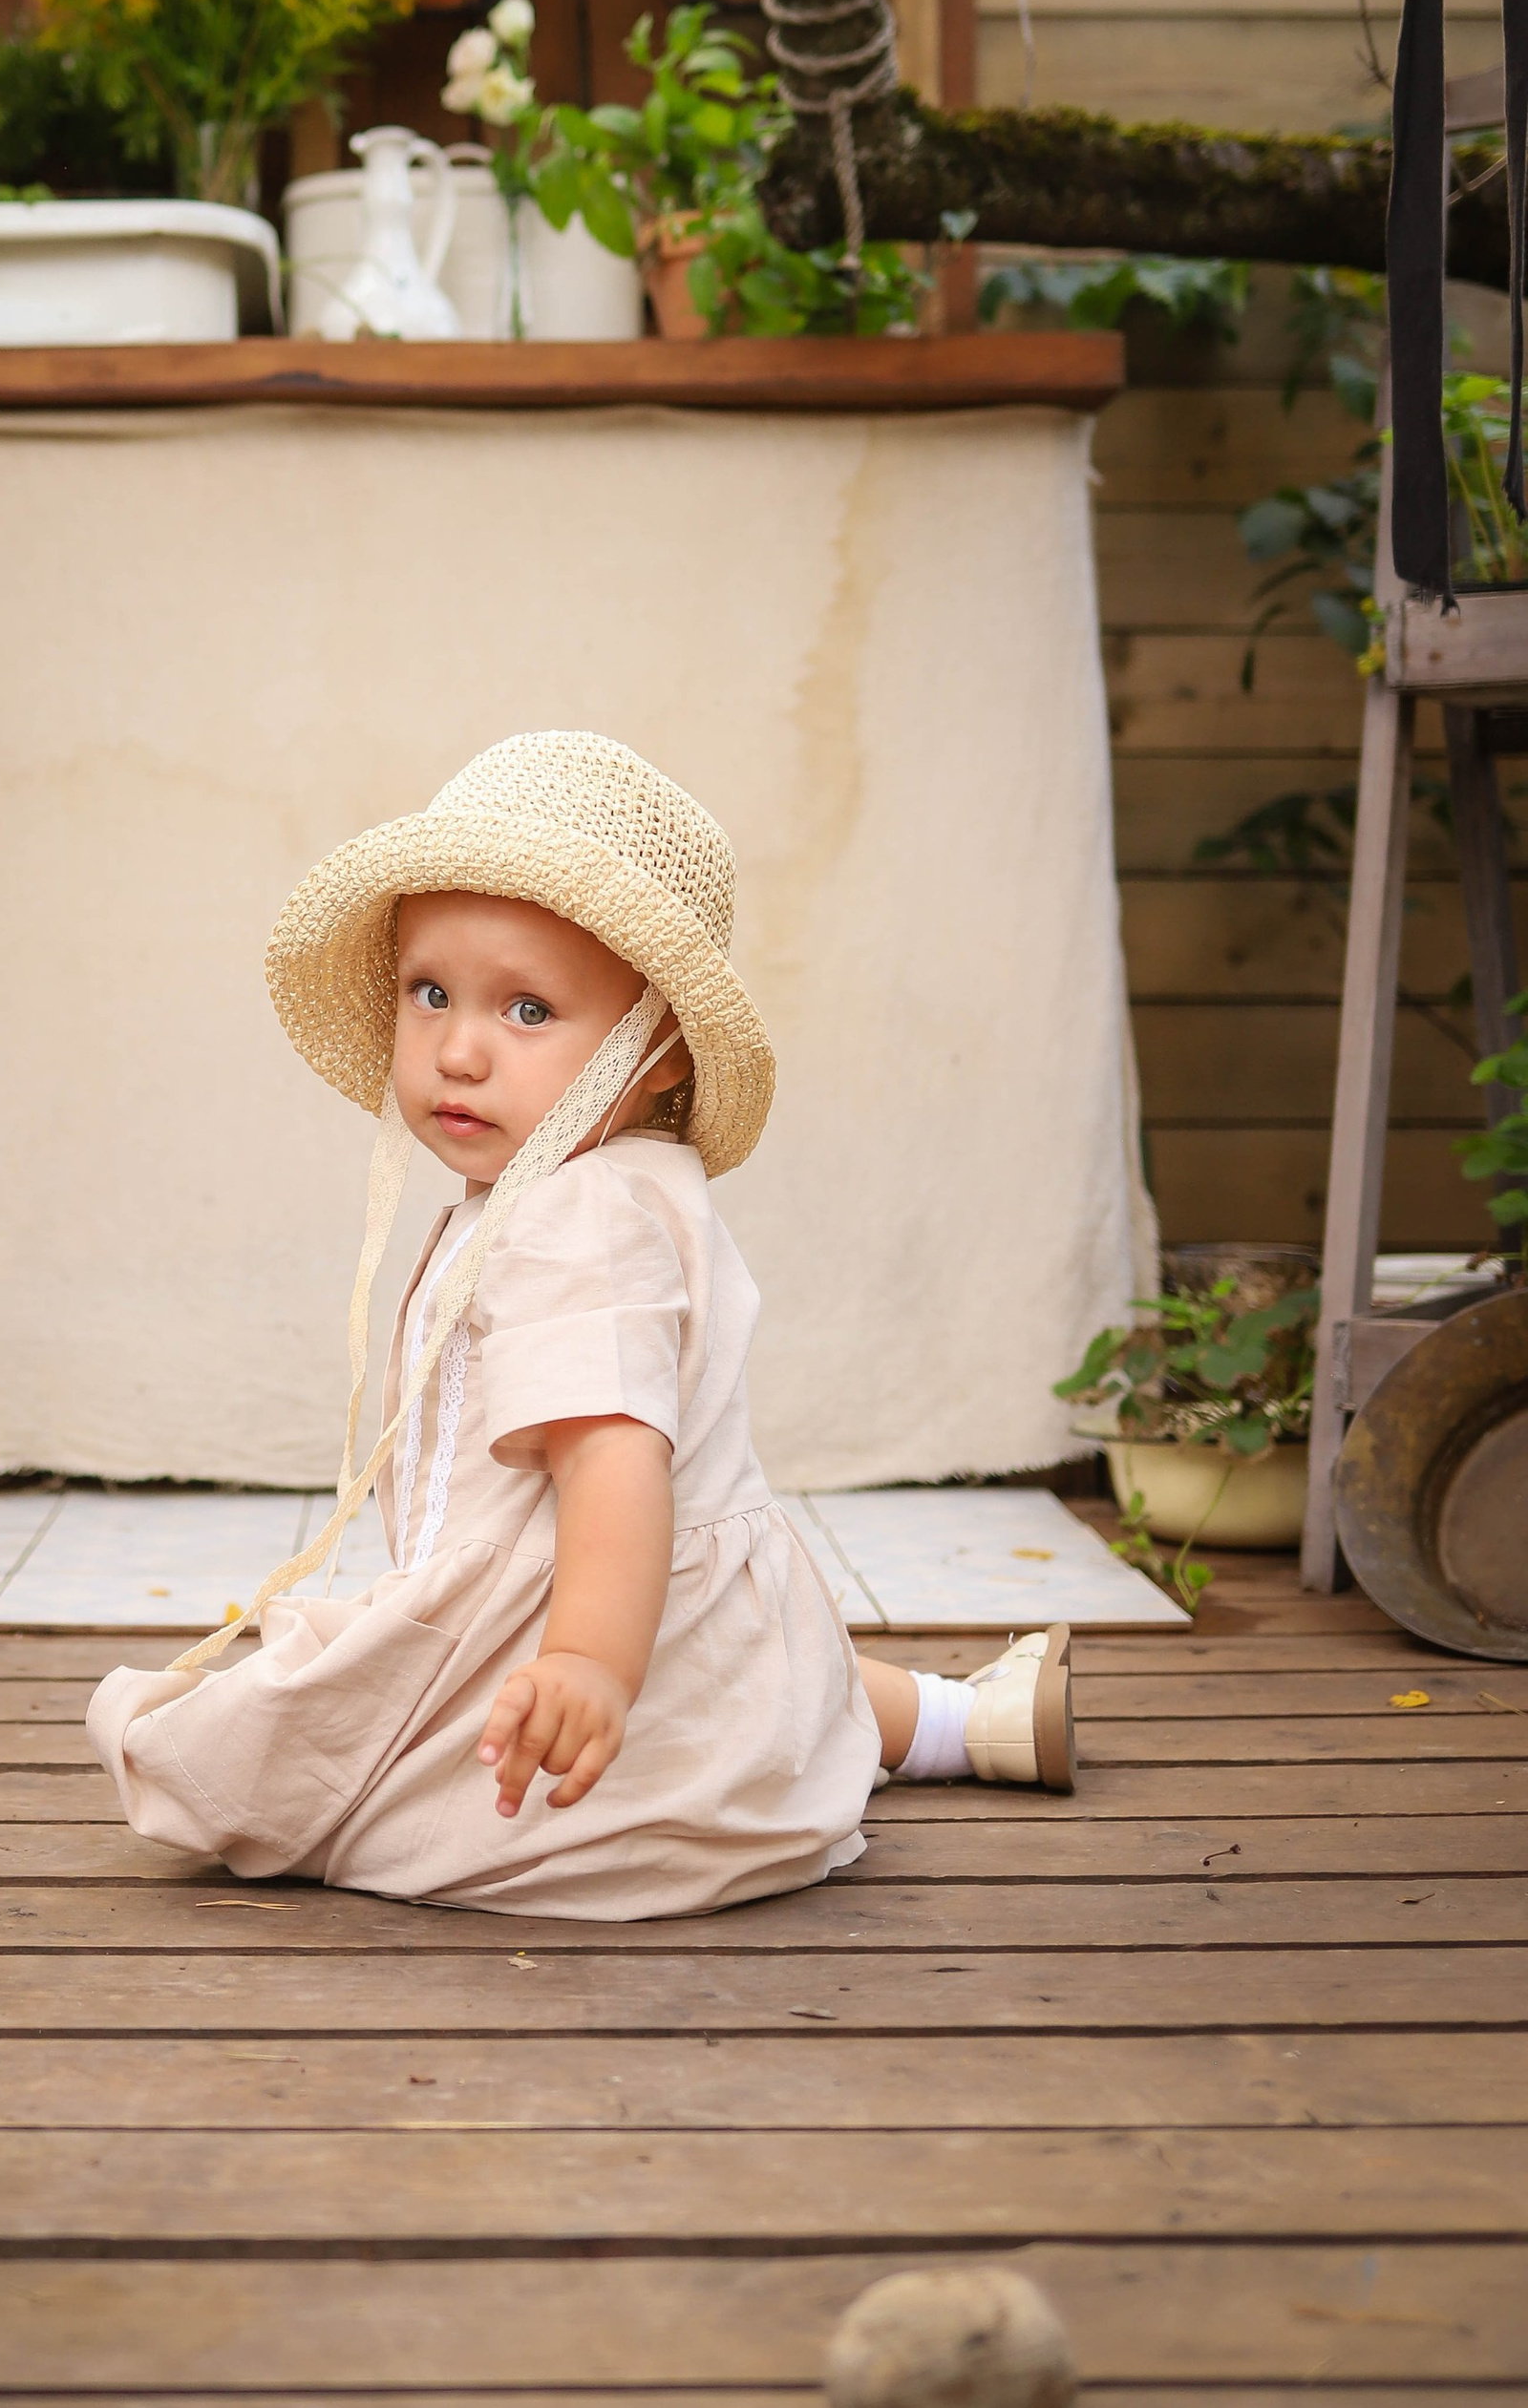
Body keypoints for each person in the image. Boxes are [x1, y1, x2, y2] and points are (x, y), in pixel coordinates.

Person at [87, 731, 1076, 1917]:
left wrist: (586, 1664)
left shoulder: (573, 1218)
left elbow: (613, 1457)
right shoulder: (606, 1185)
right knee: (732, 1672)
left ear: (657, 1055)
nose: (458, 1047)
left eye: (526, 1007)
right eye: (431, 992)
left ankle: (739, 1741)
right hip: (699, 1626)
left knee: (241, 1760)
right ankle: (972, 1722)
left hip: (598, 1604)